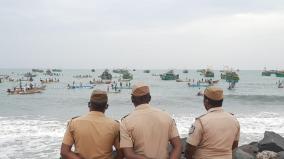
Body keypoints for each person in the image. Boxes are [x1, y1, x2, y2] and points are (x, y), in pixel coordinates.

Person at [120, 82, 182, 159]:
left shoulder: (126, 122)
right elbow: (178, 146)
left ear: (132, 99)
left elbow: (128, 154)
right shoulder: (166, 116)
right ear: (149, 98)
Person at [60, 90, 123, 159]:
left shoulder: (74, 122)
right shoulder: (115, 125)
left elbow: (64, 152)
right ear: (106, 106)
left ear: (89, 104)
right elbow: (121, 153)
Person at [185, 86, 240, 159]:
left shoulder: (201, 122)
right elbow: (234, 146)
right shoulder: (234, 121)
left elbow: (190, 149)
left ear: (206, 101)